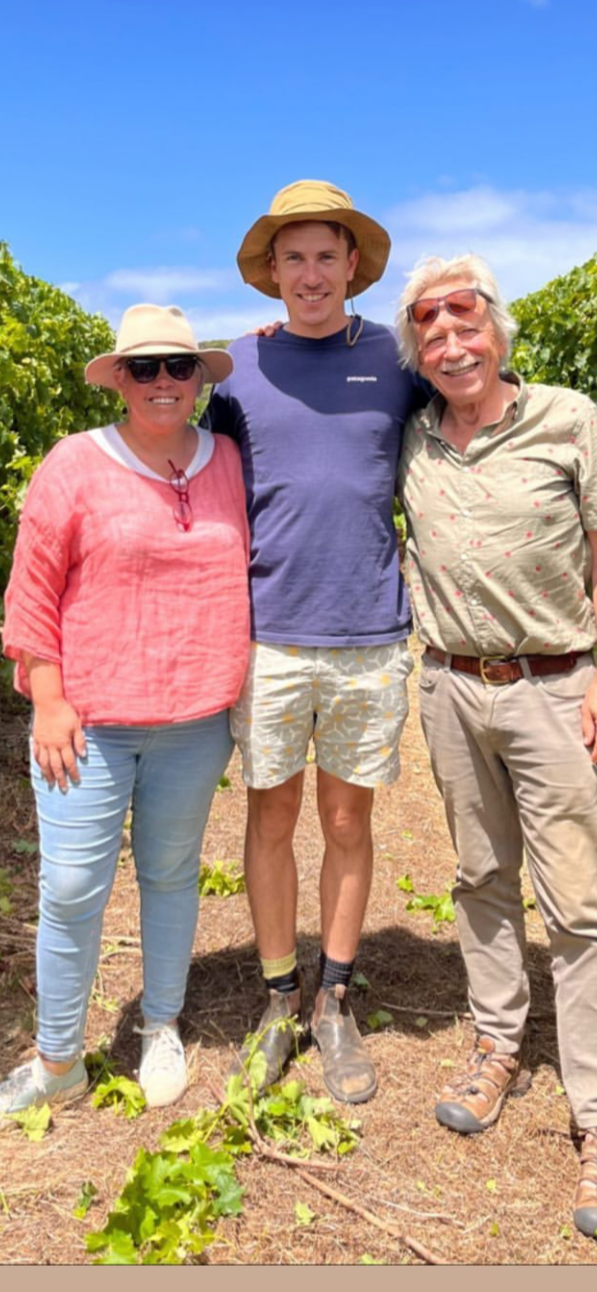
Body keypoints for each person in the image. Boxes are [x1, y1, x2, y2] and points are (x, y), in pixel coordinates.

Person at [206, 179, 427, 1104]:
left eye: (324, 256)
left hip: (369, 632)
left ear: (350, 266)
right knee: (269, 817)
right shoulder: (235, 371)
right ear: (271, 272)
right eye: (291, 257)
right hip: (269, 637)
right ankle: (275, 997)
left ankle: (333, 1000)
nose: (309, 273)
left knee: (347, 821)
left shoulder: (397, 360)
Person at [0, 304, 249, 1114]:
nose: (164, 383)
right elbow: (33, 592)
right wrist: (47, 698)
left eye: (179, 368)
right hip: (90, 722)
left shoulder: (228, 465)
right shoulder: (73, 464)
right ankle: (59, 1063)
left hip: (194, 721)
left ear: (200, 379)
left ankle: (161, 1025)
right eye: (144, 368)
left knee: (172, 874)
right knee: (72, 886)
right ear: (119, 380)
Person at [396, 253, 597, 1238]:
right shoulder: (415, 437)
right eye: (428, 324)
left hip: (556, 686)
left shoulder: (569, 417)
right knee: (480, 876)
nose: (449, 335)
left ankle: (596, 1110)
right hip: (449, 685)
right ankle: (497, 1045)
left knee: (580, 902)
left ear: (496, 326)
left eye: (463, 315)